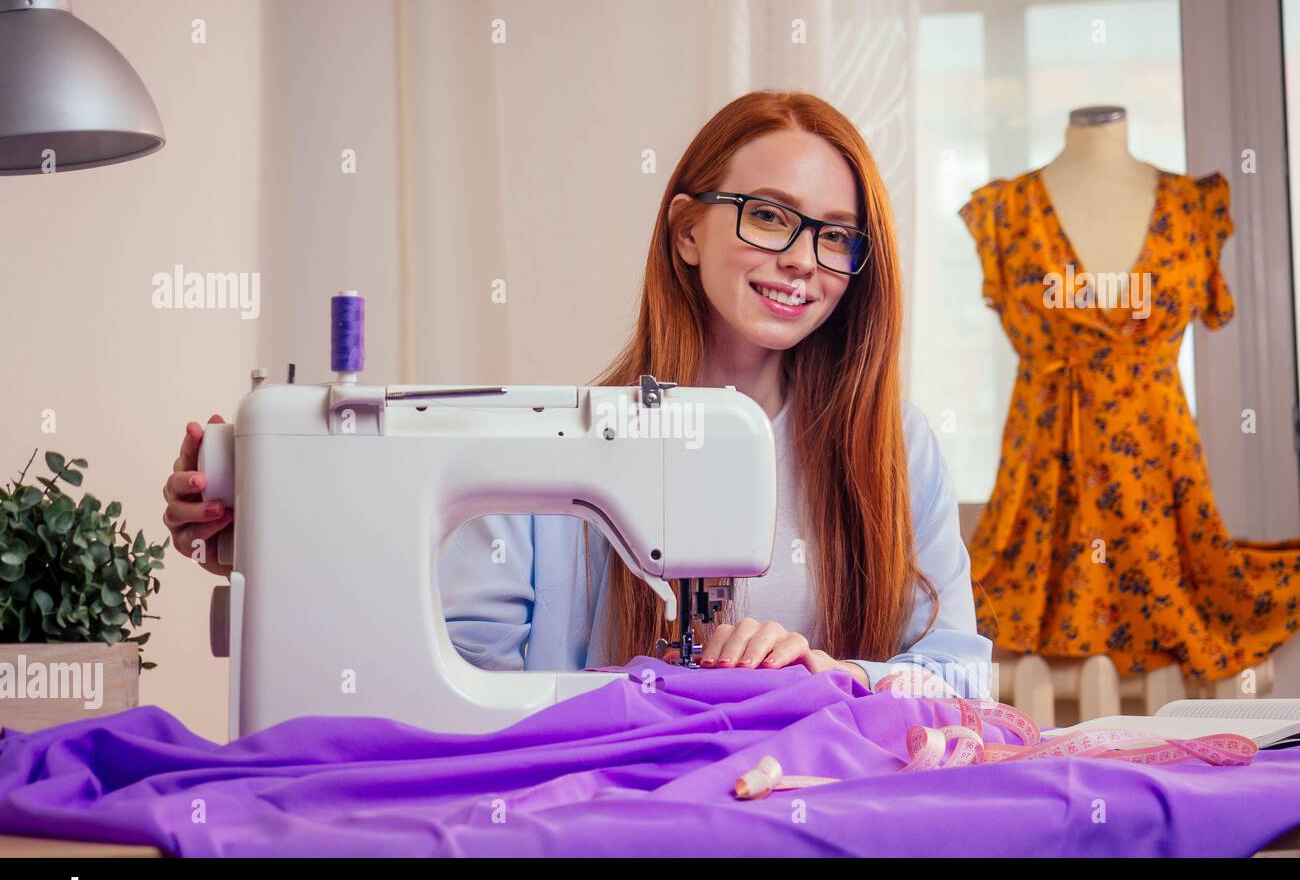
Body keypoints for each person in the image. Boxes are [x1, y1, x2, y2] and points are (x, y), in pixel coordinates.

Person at [162, 90, 992, 698]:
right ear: (686, 233)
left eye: (837, 236)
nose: (804, 257)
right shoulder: (542, 445)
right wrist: (271, 540)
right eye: (770, 216)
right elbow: (461, 669)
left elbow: (961, 678)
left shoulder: (896, 449)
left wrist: (831, 674)